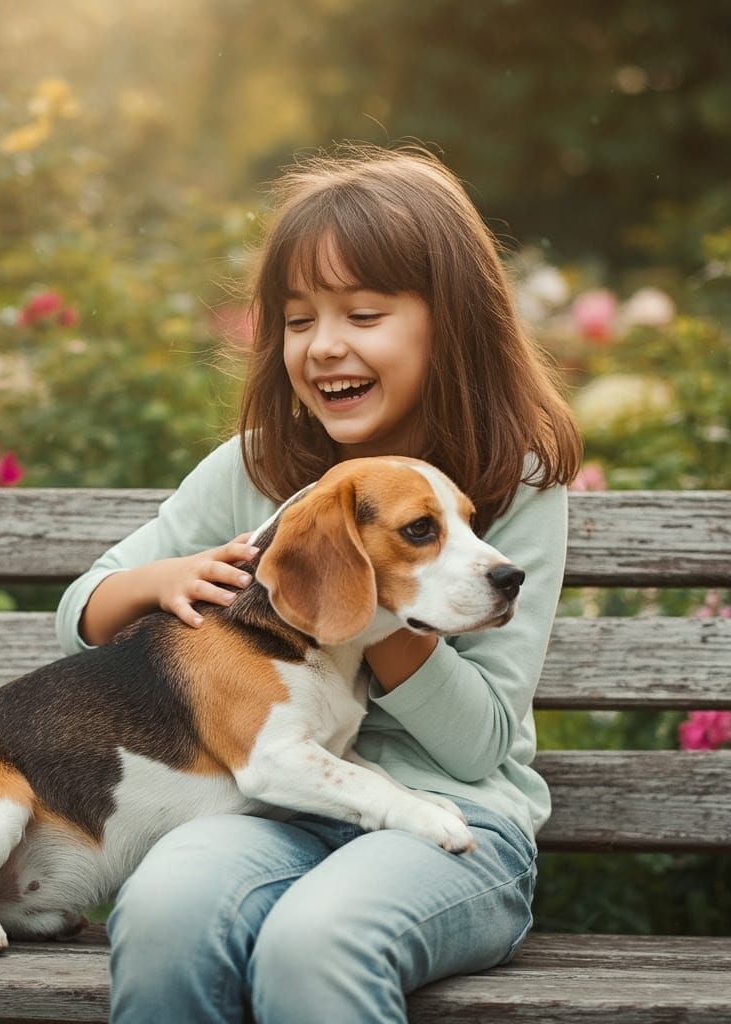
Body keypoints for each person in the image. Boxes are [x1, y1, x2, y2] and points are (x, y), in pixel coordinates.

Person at [55, 144, 582, 1023]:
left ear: (450, 323)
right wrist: (162, 579)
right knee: (161, 909)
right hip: (270, 815)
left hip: (455, 825)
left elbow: (480, 746)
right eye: (298, 321)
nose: (326, 345)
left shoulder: (513, 481)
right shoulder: (256, 469)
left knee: (315, 941)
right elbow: (81, 610)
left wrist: (377, 606)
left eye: (364, 312)